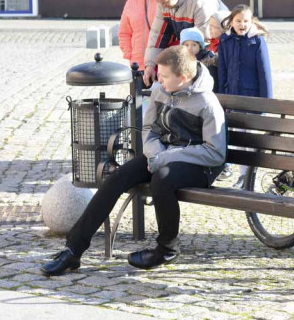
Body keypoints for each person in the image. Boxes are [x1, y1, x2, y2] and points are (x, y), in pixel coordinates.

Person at [41, 46, 226, 276]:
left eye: (165, 76)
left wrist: (165, 157)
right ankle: (73, 250)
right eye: (159, 74)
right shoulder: (161, 91)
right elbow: (149, 129)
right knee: (117, 177)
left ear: (183, 78)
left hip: (200, 165)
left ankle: (166, 248)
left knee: (162, 180)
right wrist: (154, 153)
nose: (158, 80)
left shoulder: (207, 104)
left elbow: (215, 152)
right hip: (161, 155)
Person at [143, 0, 223, 87]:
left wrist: (178, 70)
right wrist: (150, 65)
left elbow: (203, 42)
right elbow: (158, 35)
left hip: (214, 55)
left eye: (166, 1)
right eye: (160, 3)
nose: (164, 6)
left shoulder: (201, 1)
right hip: (192, 51)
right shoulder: (164, 2)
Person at [217, 4, 274, 99]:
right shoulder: (225, 40)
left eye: (246, 21)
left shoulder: (257, 41)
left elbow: (264, 73)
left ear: (251, 22)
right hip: (230, 95)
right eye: (238, 21)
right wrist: (221, 97)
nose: (242, 24)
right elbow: (222, 71)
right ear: (231, 22)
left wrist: (267, 103)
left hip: (251, 97)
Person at [118, 0, 161, 70]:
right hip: (138, 64)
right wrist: (129, 54)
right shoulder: (131, 2)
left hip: (162, 65)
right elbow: (124, 33)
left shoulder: (164, 1)